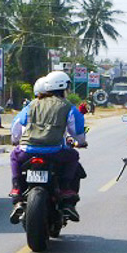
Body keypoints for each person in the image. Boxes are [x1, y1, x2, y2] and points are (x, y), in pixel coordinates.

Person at [9, 71, 87, 223]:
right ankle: (65, 189)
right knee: (73, 156)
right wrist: (81, 142)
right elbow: (77, 131)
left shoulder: (31, 105)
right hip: (55, 152)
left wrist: (15, 140)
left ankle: (17, 188)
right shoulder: (68, 107)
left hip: (27, 151)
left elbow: (16, 127)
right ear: (63, 88)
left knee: (14, 156)